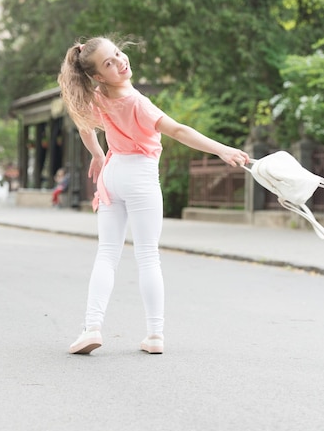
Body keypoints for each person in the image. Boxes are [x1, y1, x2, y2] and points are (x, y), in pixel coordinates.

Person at [58, 36, 250, 355]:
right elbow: (177, 131)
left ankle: (91, 327)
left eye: (118, 54)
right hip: (140, 176)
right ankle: (155, 335)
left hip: (112, 172)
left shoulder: (94, 97)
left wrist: (96, 155)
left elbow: (84, 126)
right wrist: (222, 149)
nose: (120, 61)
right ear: (98, 76)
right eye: (109, 62)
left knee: (107, 253)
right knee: (147, 255)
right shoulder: (137, 103)